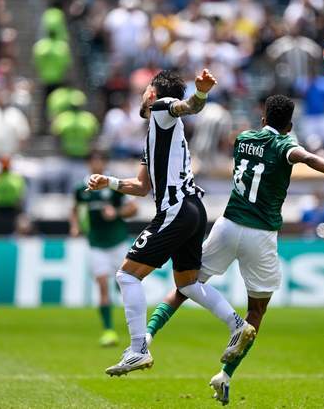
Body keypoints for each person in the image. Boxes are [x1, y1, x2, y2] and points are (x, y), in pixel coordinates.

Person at [143, 95, 324, 405]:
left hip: (227, 226)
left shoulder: (243, 139)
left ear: (263, 119)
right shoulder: (285, 145)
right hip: (261, 235)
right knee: (256, 311)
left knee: (185, 285)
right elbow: (307, 158)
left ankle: (145, 338)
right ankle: (225, 375)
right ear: (290, 125)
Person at [88, 69, 253, 377]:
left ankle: (138, 349)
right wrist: (108, 181)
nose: (142, 95)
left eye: (144, 90)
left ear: (152, 93)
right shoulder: (156, 133)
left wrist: (200, 93)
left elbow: (188, 107)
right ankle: (237, 325)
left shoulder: (162, 108)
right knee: (187, 283)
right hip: (192, 209)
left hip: (176, 209)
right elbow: (141, 187)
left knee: (127, 275)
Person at [70, 150, 138, 347]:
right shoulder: (81, 187)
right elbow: (74, 209)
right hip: (96, 243)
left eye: (100, 160)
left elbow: (133, 208)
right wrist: (75, 225)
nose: (96, 164)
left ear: (105, 163)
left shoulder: (113, 184)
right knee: (102, 285)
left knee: (125, 285)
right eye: (93, 160)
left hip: (118, 242)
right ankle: (108, 330)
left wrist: (116, 212)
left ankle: (136, 328)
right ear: (88, 163)